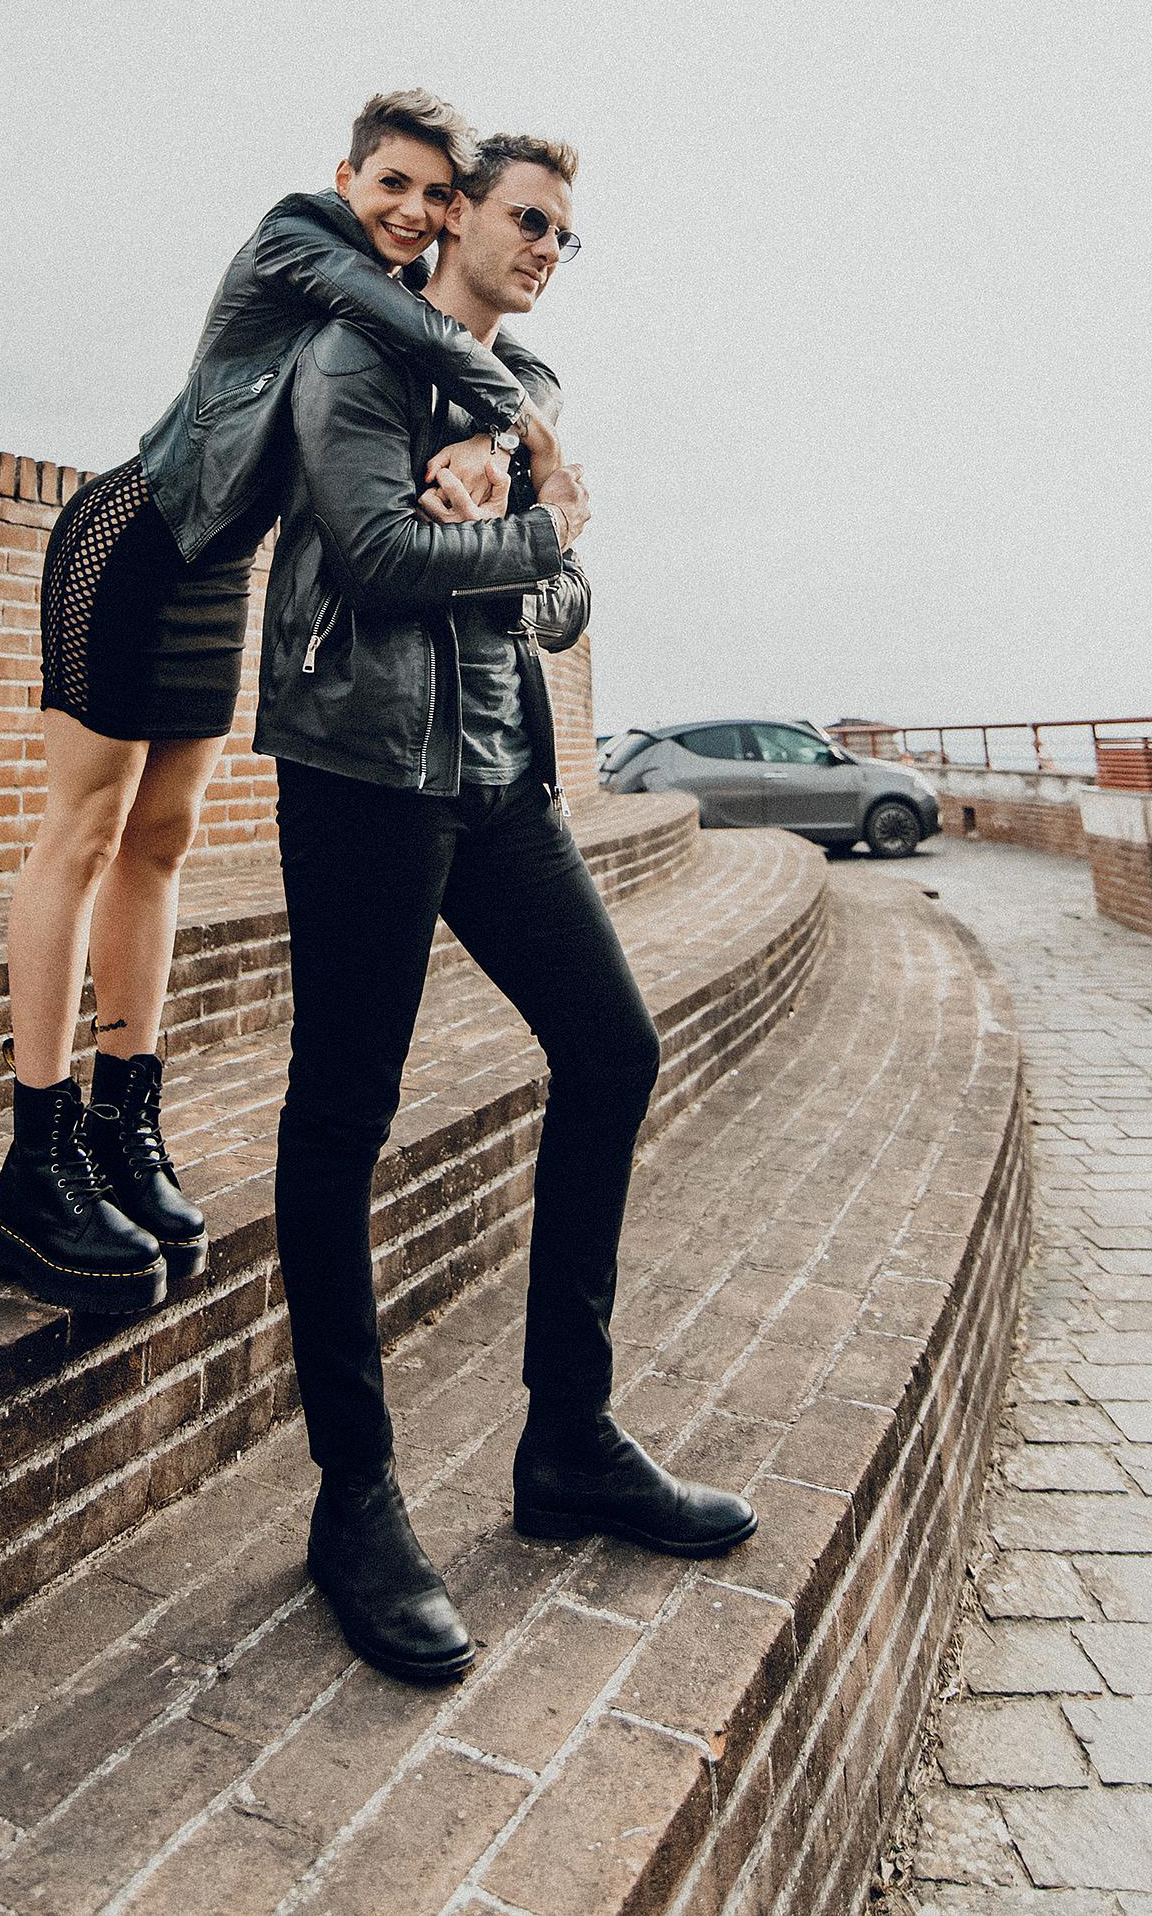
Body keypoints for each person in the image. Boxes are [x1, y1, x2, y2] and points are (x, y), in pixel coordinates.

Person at [257, 133, 756, 1686]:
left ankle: (568, 1442)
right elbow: (374, 558)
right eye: (527, 219)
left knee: (612, 1051)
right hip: (364, 771)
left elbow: (558, 603)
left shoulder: (519, 391)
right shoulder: (355, 354)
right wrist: (530, 530)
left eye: (564, 234)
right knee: (344, 1114)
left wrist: (528, 530)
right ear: (456, 213)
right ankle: (354, 1498)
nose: (546, 247)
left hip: (497, 778)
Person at [0, 92, 563, 1319]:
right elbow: (439, 338)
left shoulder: (398, 299)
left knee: (161, 838)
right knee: (82, 830)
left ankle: (123, 1122)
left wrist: (499, 441)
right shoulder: (299, 235)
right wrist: (515, 433)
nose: (411, 211)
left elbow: (506, 369)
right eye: (391, 182)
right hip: (131, 539)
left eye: (434, 195)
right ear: (345, 175)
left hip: (210, 571)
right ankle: (35, 1157)